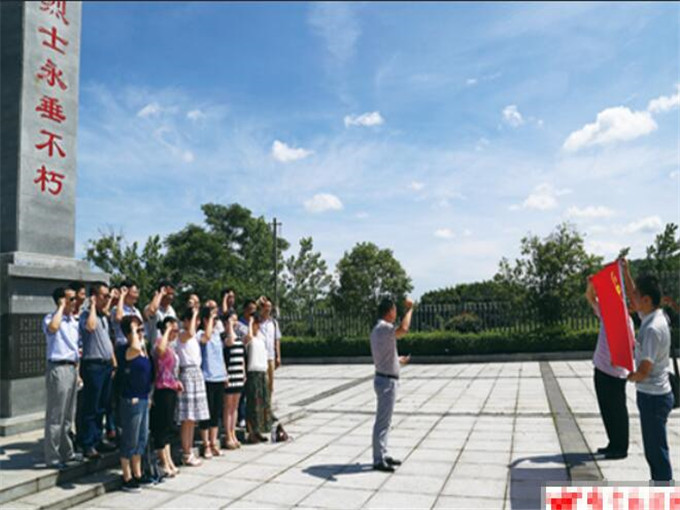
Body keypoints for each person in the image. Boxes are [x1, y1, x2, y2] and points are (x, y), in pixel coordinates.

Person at [622, 265, 674, 483]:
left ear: (646, 300)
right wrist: (625, 273)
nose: (631, 300)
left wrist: (628, 375)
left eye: (635, 296)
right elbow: (637, 295)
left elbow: (644, 370)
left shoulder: (652, 329)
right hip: (656, 395)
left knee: (656, 452)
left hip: (653, 397)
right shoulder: (654, 315)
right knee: (654, 450)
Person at [585, 276, 633, 460]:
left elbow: (629, 342)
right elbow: (590, 298)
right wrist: (593, 284)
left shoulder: (624, 317)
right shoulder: (607, 311)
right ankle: (613, 443)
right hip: (601, 367)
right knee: (607, 409)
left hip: (615, 372)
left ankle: (621, 447)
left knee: (617, 410)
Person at [370, 297, 413, 472]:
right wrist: (410, 309)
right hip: (387, 381)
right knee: (382, 422)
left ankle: (383, 453)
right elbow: (403, 329)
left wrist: (397, 359)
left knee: (385, 422)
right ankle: (378, 459)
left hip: (385, 378)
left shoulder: (378, 329)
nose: (396, 313)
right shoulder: (384, 327)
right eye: (395, 310)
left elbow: (384, 354)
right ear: (389, 312)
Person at [43, 286, 82, 469]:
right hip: (58, 368)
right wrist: (60, 308)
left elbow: (76, 349)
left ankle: (67, 452)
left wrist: (78, 372)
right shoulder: (51, 318)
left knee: (68, 416)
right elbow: (53, 328)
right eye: (71, 299)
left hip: (72, 368)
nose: (75, 302)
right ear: (62, 300)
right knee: (56, 416)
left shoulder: (74, 322)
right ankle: (53, 456)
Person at [78, 282, 117, 460]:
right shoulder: (87, 315)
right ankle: (87, 443)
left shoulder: (104, 316)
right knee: (91, 406)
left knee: (103, 405)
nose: (107, 299)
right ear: (94, 296)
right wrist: (92, 305)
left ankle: (97, 438)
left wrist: (113, 361)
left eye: (108, 296)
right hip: (93, 365)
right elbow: (90, 327)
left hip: (106, 364)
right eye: (104, 296)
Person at [117, 315, 153, 493]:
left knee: (141, 438)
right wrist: (132, 331)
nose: (140, 333)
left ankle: (137, 473)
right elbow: (135, 348)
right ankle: (126, 476)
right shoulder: (128, 349)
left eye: (141, 330)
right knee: (130, 439)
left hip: (143, 397)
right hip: (131, 399)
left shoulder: (143, 349)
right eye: (137, 330)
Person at [176, 308, 209, 466]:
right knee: (187, 417)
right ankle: (186, 451)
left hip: (197, 373)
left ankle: (188, 450)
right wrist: (195, 312)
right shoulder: (182, 334)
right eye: (194, 320)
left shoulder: (195, 336)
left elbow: (206, 337)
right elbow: (189, 333)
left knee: (192, 418)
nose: (197, 323)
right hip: (187, 373)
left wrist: (208, 318)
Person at [151, 317, 182, 478]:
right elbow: (160, 352)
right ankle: (163, 461)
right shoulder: (160, 342)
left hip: (171, 387)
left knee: (169, 426)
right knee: (162, 427)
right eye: (174, 330)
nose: (176, 333)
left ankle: (169, 460)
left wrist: (177, 382)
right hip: (161, 388)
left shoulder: (172, 346)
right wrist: (167, 330)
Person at [198, 305, 227, 458]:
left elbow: (220, 354)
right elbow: (205, 339)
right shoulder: (201, 333)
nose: (215, 321)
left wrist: (225, 373)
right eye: (212, 318)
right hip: (207, 377)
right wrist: (209, 320)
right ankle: (206, 444)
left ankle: (213, 442)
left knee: (216, 412)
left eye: (216, 319)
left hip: (219, 376)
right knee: (206, 413)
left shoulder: (216, 334)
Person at [244, 311, 271, 443]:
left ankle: (259, 430)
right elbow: (248, 337)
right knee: (253, 403)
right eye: (255, 323)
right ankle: (251, 432)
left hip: (261, 371)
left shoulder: (261, 337)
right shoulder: (249, 337)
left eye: (257, 323)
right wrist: (249, 323)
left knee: (262, 403)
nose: (257, 325)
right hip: (252, 372)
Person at [223, 311, 246, 449]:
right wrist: (230, 325)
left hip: (238, 374)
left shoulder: (239, 336)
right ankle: (227, 435)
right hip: (229, 375)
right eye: (232, 320)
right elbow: (230, 342)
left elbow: (242, 354)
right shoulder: (225, 336)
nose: (235, 322)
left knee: (235, 407)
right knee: (228, 406)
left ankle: (233, 433)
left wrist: (243, 372)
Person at [258, 297, 281, 416]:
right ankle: (261, 407)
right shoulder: (257, 322)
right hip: (259, 357)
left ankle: (268, 406)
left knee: (270, 384)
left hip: (271, 356)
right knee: (261, 383)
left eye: (270, 306)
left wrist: (278, 356)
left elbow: (277, 340)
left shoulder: (274, 323)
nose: (268, 309)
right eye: (266, 306)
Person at [111, 280, 144, 348]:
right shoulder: (116, 309)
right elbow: (119, 317)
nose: (136, 296)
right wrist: (122, 295)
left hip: (138, 346)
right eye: (134, 292)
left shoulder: (137, 311)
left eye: (137, 293)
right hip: (123, 346)